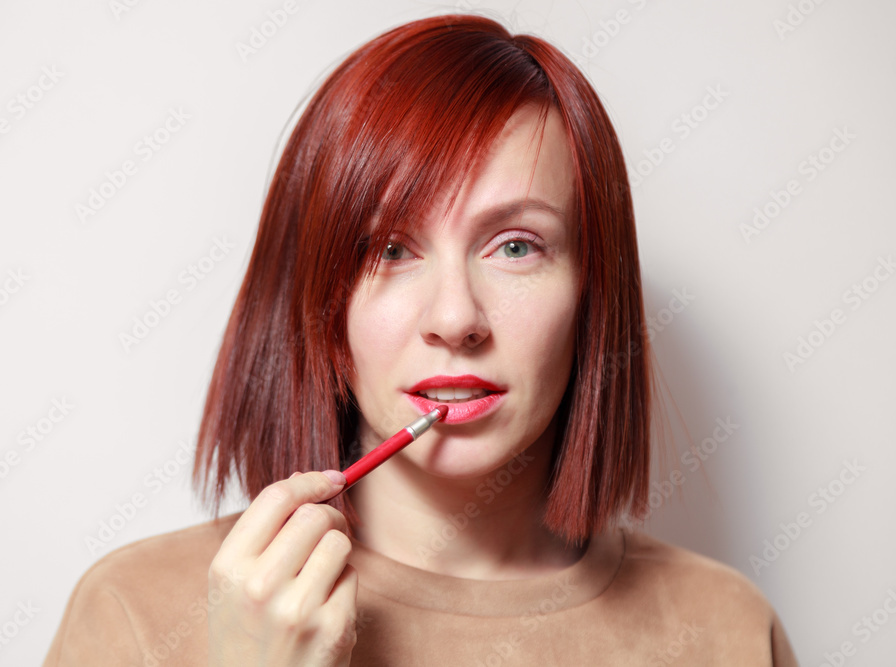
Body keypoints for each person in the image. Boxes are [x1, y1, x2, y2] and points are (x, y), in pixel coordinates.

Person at [44, 13, 798, 665]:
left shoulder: (726, 629)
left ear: (592, 295)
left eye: (516, 246)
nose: (455, 317)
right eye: (391, 250)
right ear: (317, 302)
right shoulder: (133, 613)